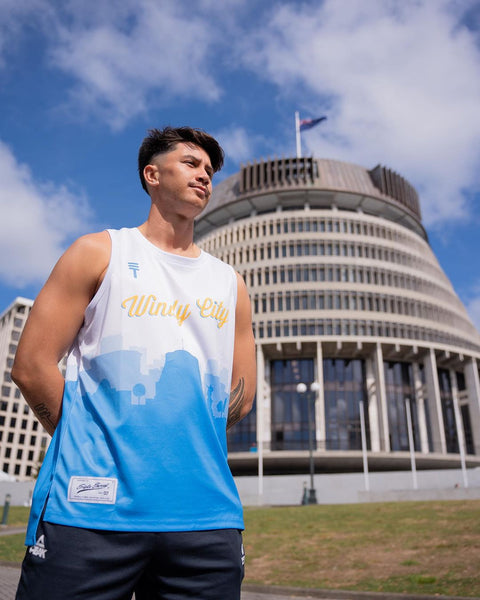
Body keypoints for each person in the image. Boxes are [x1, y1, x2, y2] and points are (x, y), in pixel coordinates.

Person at [12, 126, 257, 600]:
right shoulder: (99, 253)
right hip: (88, 515)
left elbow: (239, 398)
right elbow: (32, 365)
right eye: (190, 163)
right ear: (152, 174)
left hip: (206, 520)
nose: (204, 175)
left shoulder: (231, 284)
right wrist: (82, 435)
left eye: (209, 169)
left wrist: (186, 436)